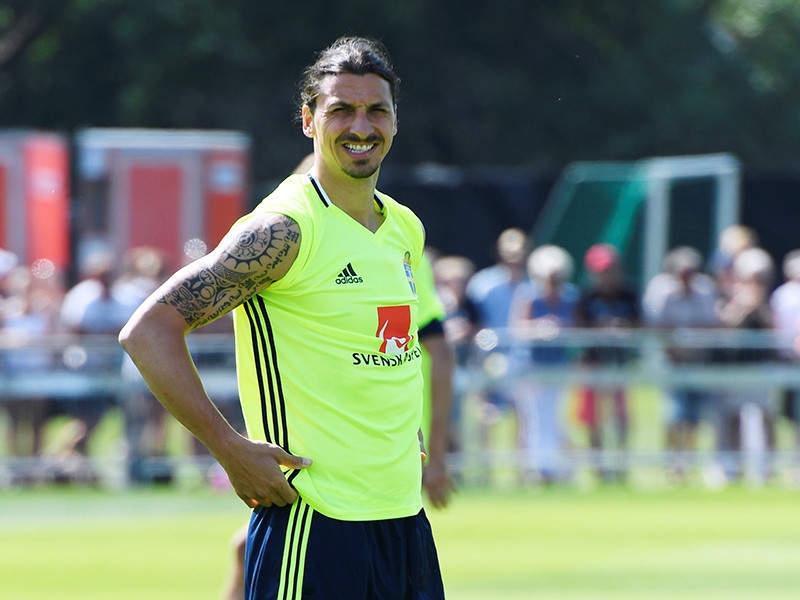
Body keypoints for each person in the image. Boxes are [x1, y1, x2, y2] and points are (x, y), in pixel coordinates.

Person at [120, 36, 446, 600]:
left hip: (403, 522)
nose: (361, 126)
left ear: (395, 121)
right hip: (313, 525)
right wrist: (229, 448)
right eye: (341, 110)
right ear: (308, 120)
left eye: (377, 110)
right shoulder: (283, 229)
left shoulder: (404, 227)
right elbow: (148, 331)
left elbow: (385, 346)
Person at [642, 246, 719, 482]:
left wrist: (689, 337)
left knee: (694, 416)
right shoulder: (661, 290)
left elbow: (711, 325)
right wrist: (674, 347)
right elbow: (656, 327)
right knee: (674, 414)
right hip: (671, 361)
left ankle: (687, 464)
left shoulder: (704, 289)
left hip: (697, 360)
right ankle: (672, 464)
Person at [510, 244, 579, 484]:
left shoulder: (570, 297)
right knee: (535, 418)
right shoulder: (529, 296)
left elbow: (578, 326)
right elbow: (518, 328)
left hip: (559, 366)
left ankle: (554, 467)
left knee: (555, 417)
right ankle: (537, 468)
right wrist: (540, 329)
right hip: (533, 366)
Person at [575, 243, 640, 482]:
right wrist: (600, 329)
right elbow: (579, 329)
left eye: (611, 269)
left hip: (620, 364)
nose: (608, 275)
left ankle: (621, 466)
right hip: (594, 364)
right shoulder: (587, 298)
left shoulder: (629, 295)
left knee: (621, 416)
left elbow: (640, 324)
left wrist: (624, 329)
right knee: (593, 418)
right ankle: (598, 468)